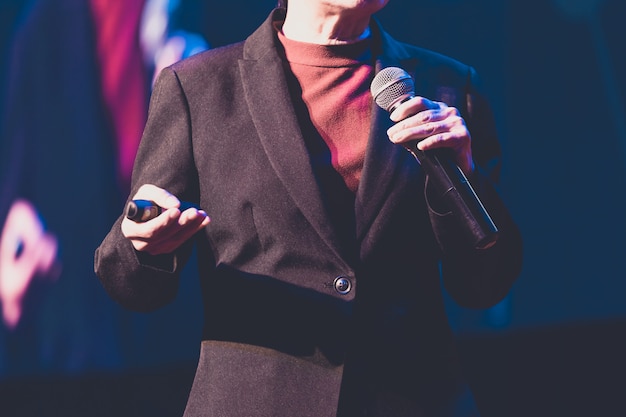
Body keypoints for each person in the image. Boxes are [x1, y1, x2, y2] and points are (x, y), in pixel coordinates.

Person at [94, 0, 523, 416]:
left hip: (409, 397)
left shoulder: (445, 85)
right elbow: (134, 286)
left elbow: (483, 286)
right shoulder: (200, 89)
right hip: (258, 400)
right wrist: (143, 245)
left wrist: (465, 174)